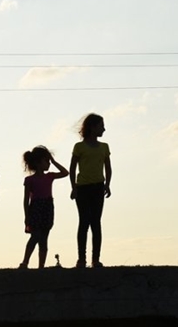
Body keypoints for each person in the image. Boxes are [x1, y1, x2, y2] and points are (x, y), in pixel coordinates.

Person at [69, 113, 112, 268]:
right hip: (83, 188)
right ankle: (81, 259)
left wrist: (108, 184)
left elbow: (108, 167)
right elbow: (72, 168)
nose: (104, 129)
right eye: (101, 126)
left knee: (96, 223)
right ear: (93, 127)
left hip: (98, 187)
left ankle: (95, 259)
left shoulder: (104, 147)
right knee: (84, 222)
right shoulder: (79, 147)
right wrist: (73, 187)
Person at [19, 145, 69, 269]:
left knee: (44, 238)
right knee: (35, 236)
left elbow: (65, 173)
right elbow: (26, 200)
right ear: (37, 162)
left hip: (47, 207)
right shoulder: (29, 180)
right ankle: (25, 262)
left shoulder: (50, 176)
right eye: (46, 161)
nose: (48, 163)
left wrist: (54, 161)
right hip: (36, 208)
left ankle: (41, 266)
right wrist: (26, 215)